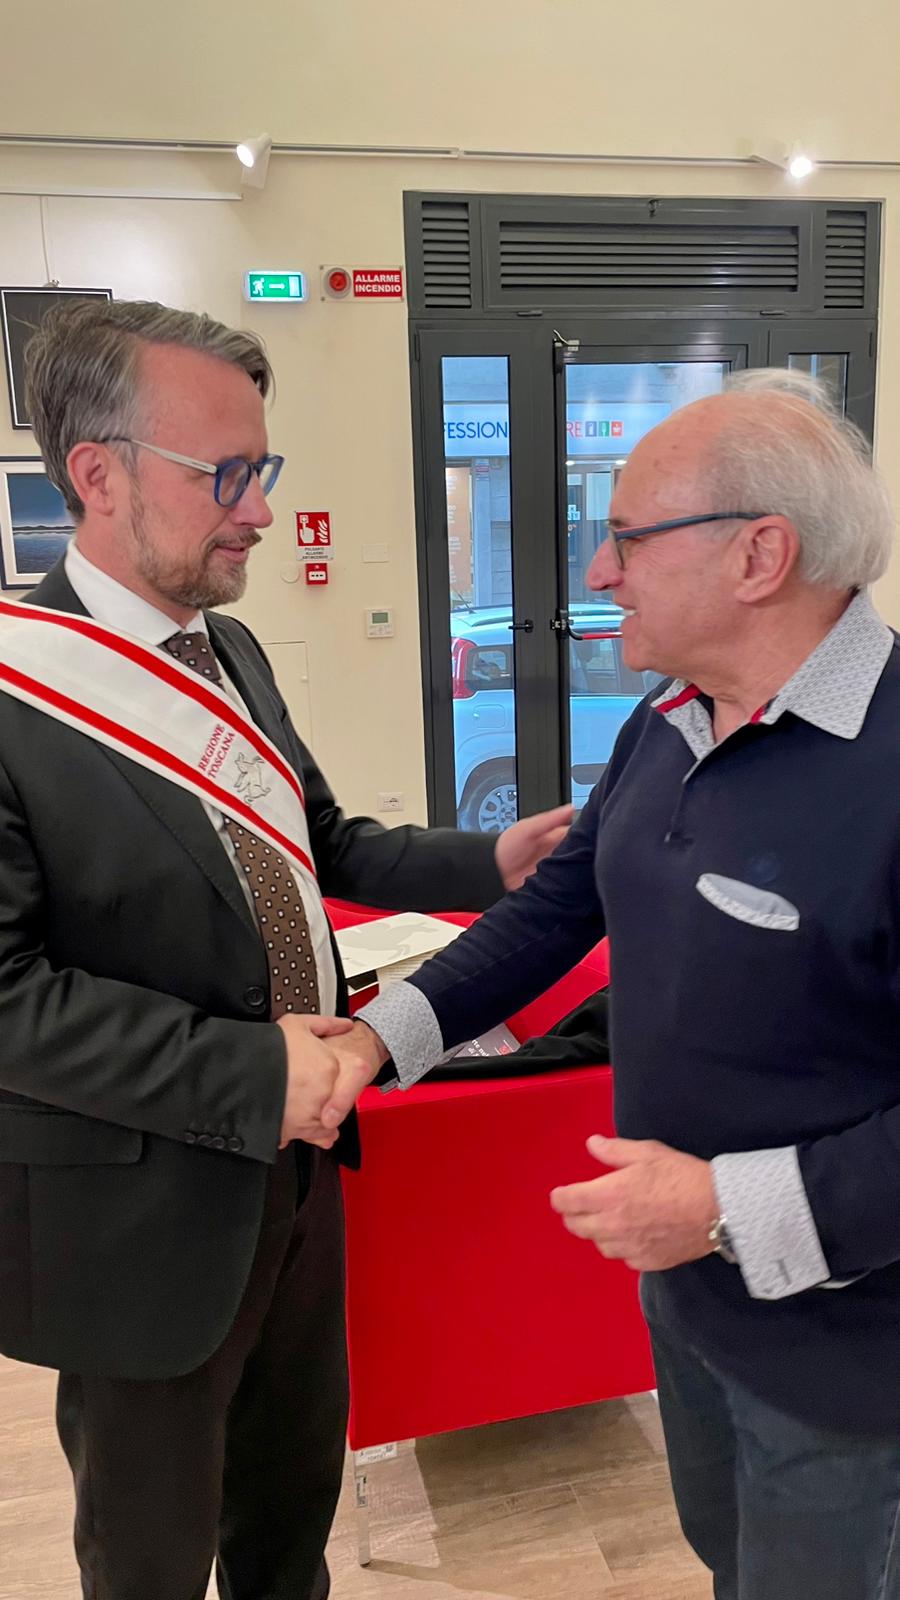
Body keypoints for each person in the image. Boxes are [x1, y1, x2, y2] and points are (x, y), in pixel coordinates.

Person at [0, 296, 571, 1600]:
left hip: (301, 1181)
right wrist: (257, 1072)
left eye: (265, 469)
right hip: (138, 1217)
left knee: (287, 1526)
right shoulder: (17, 690)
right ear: (99, 474)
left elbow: (319, 840)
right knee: (148, 1561)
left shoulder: (232, 651)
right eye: (226, 474)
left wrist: (489, 860)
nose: (260, 508)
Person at [328, 368, 900, 1600]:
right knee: (729, 1563)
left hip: (853, 1363)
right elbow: (551, 911)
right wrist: (379, 1040)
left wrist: (722, 1207)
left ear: (760, 554)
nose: (598, 571)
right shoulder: (668, 721)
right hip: (686, 1307)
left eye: (628, 537)